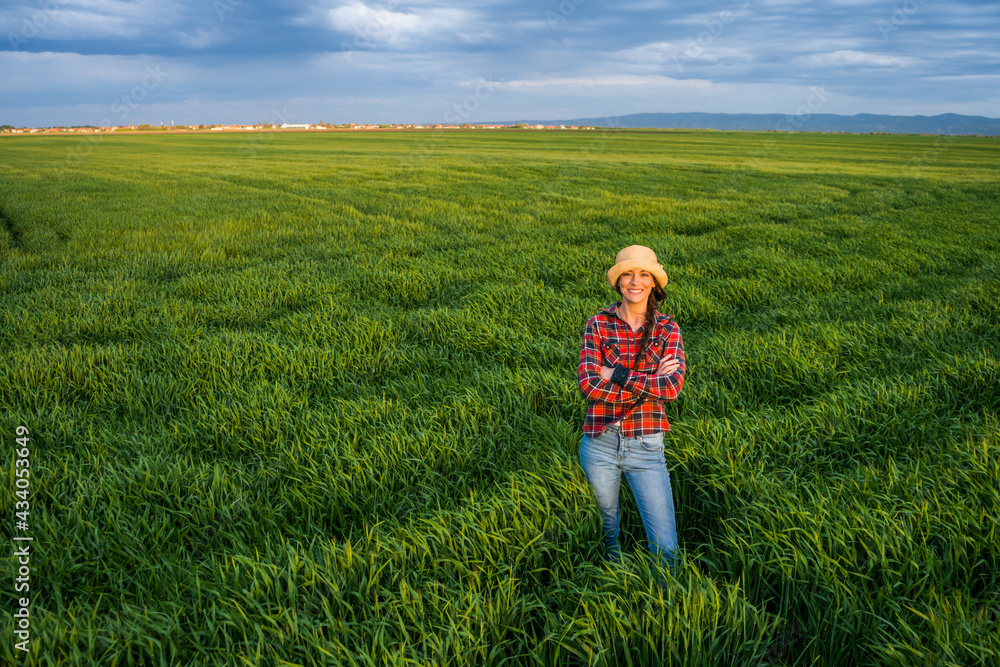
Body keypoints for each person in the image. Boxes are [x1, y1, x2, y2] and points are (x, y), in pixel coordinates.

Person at [577, 244, 686, 576]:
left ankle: (666, 600)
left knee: (666, 547)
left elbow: (672, 388)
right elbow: (588, 384)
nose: (635, 282)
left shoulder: (668, 330)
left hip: (646, 447)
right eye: (627, 274)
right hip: (600, 442)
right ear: (618, 282)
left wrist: (617, 374)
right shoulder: (598, 324)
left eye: (643, 275)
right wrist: (650, 381)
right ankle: (613, 589)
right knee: (606, 534)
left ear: (653, 282)